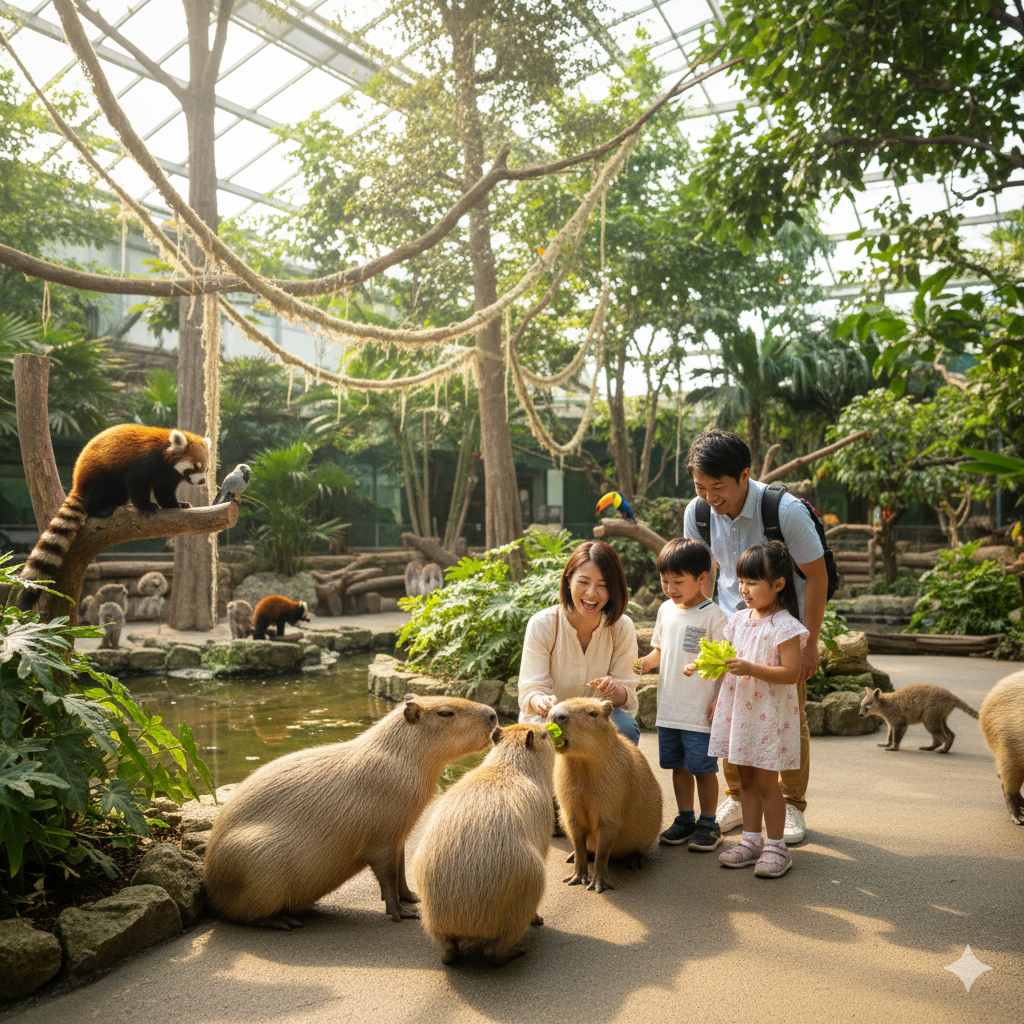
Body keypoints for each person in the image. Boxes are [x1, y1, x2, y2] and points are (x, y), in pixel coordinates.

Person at [683, 429, 826, 845]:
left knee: (789, 715)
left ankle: (792, 802)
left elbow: (816, 577)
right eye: (700, 486)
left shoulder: (785, 511)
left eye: (718, 487)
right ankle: (736, 797)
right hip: (734, 627)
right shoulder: (699, 511)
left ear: (745, 475)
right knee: (729, 712)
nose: (709, 496)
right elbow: (703, 574)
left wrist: (810, 643)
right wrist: (703, 631)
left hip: (783, 628)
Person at [696, 542, 808, 878]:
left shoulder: (785, 626)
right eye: (742, 581)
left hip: (767, 716)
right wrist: (713, 684)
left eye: (753, 582)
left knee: (767, 782)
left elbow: (791, 673)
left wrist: (751, 668)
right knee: (744, 779)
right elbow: (728, 663)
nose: (744, 589)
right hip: (740, 713)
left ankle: (776, 846)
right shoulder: (738, 620)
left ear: (778, 584)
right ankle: (750, 840)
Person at [637, 538, 729, 852]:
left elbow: (724, 664)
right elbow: (659, 651)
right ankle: (685, 818)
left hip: (699, 711)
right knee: (678, 767)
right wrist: (643, 664)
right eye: (665, 581)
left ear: (702, 577)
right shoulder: (665, 610)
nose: (670, 588)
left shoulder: (714, 616)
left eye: (678, 581)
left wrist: (720, 699)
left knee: (703, 769)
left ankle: (709, 822)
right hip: (670, 709)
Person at [518, 540, 640, 745]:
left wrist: (615, 690)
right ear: (568, 580)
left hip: (592, 722)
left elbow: (625, 696)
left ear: (613, 589)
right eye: (583, 582)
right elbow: (531, 689)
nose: (591, 593)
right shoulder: (542, 624)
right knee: (544, 738)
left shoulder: (622, 627)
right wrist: (541, 701)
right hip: (549, 720)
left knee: (626, 728)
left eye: (603, 585)